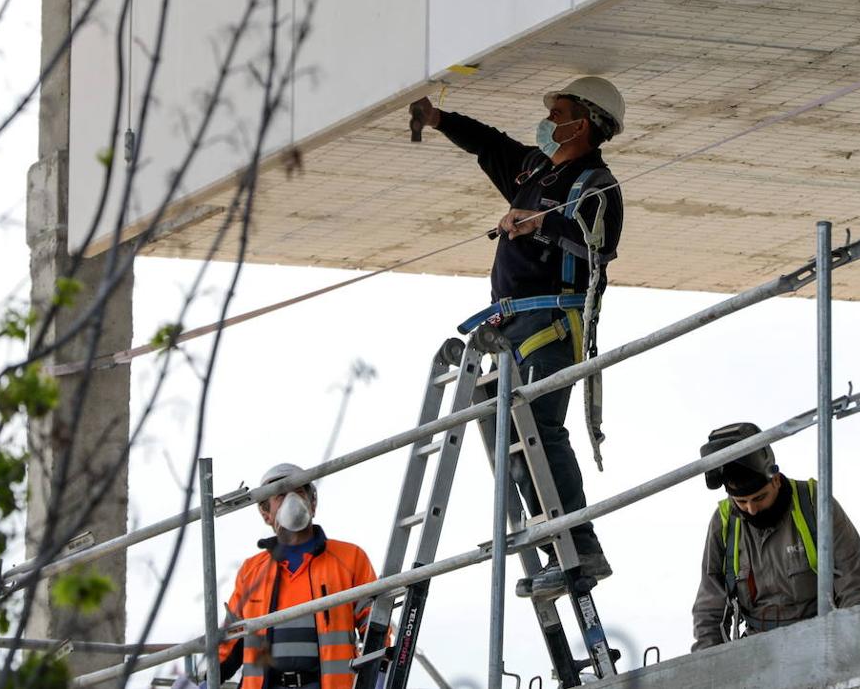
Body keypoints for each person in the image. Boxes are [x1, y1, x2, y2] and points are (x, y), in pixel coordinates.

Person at [408, 77, 625, 598]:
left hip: (552, 322)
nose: (549, 121)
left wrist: (541, 227)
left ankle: (581, 549)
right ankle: (559, 548)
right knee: (514, 441)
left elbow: (598, 254)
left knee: (541, 433)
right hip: (512, 323)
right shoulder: (534, 171)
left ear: (586, 122)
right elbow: (491, 145)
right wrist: (440, 121)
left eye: (559, 112)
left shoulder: (597, 185)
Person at [692, 423, 860, 650]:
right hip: (757, 649)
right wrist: (709, 664)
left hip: (820, 639)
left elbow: (855, 585)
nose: (751, 509)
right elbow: (710, 605)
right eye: (741, 502)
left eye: (759, 498)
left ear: (776, 479)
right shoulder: (724, 522)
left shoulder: (814, 502)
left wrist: (848, 647)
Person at [207, 463, 378, 688]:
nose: (291, 501)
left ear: (312, 502)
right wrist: (205, 680)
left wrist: (379, 674)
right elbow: (230, 644)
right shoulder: (252, 571)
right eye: (280, 495)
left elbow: (375, 629)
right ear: (265, 512)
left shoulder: (350, 559)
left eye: (298, 492)